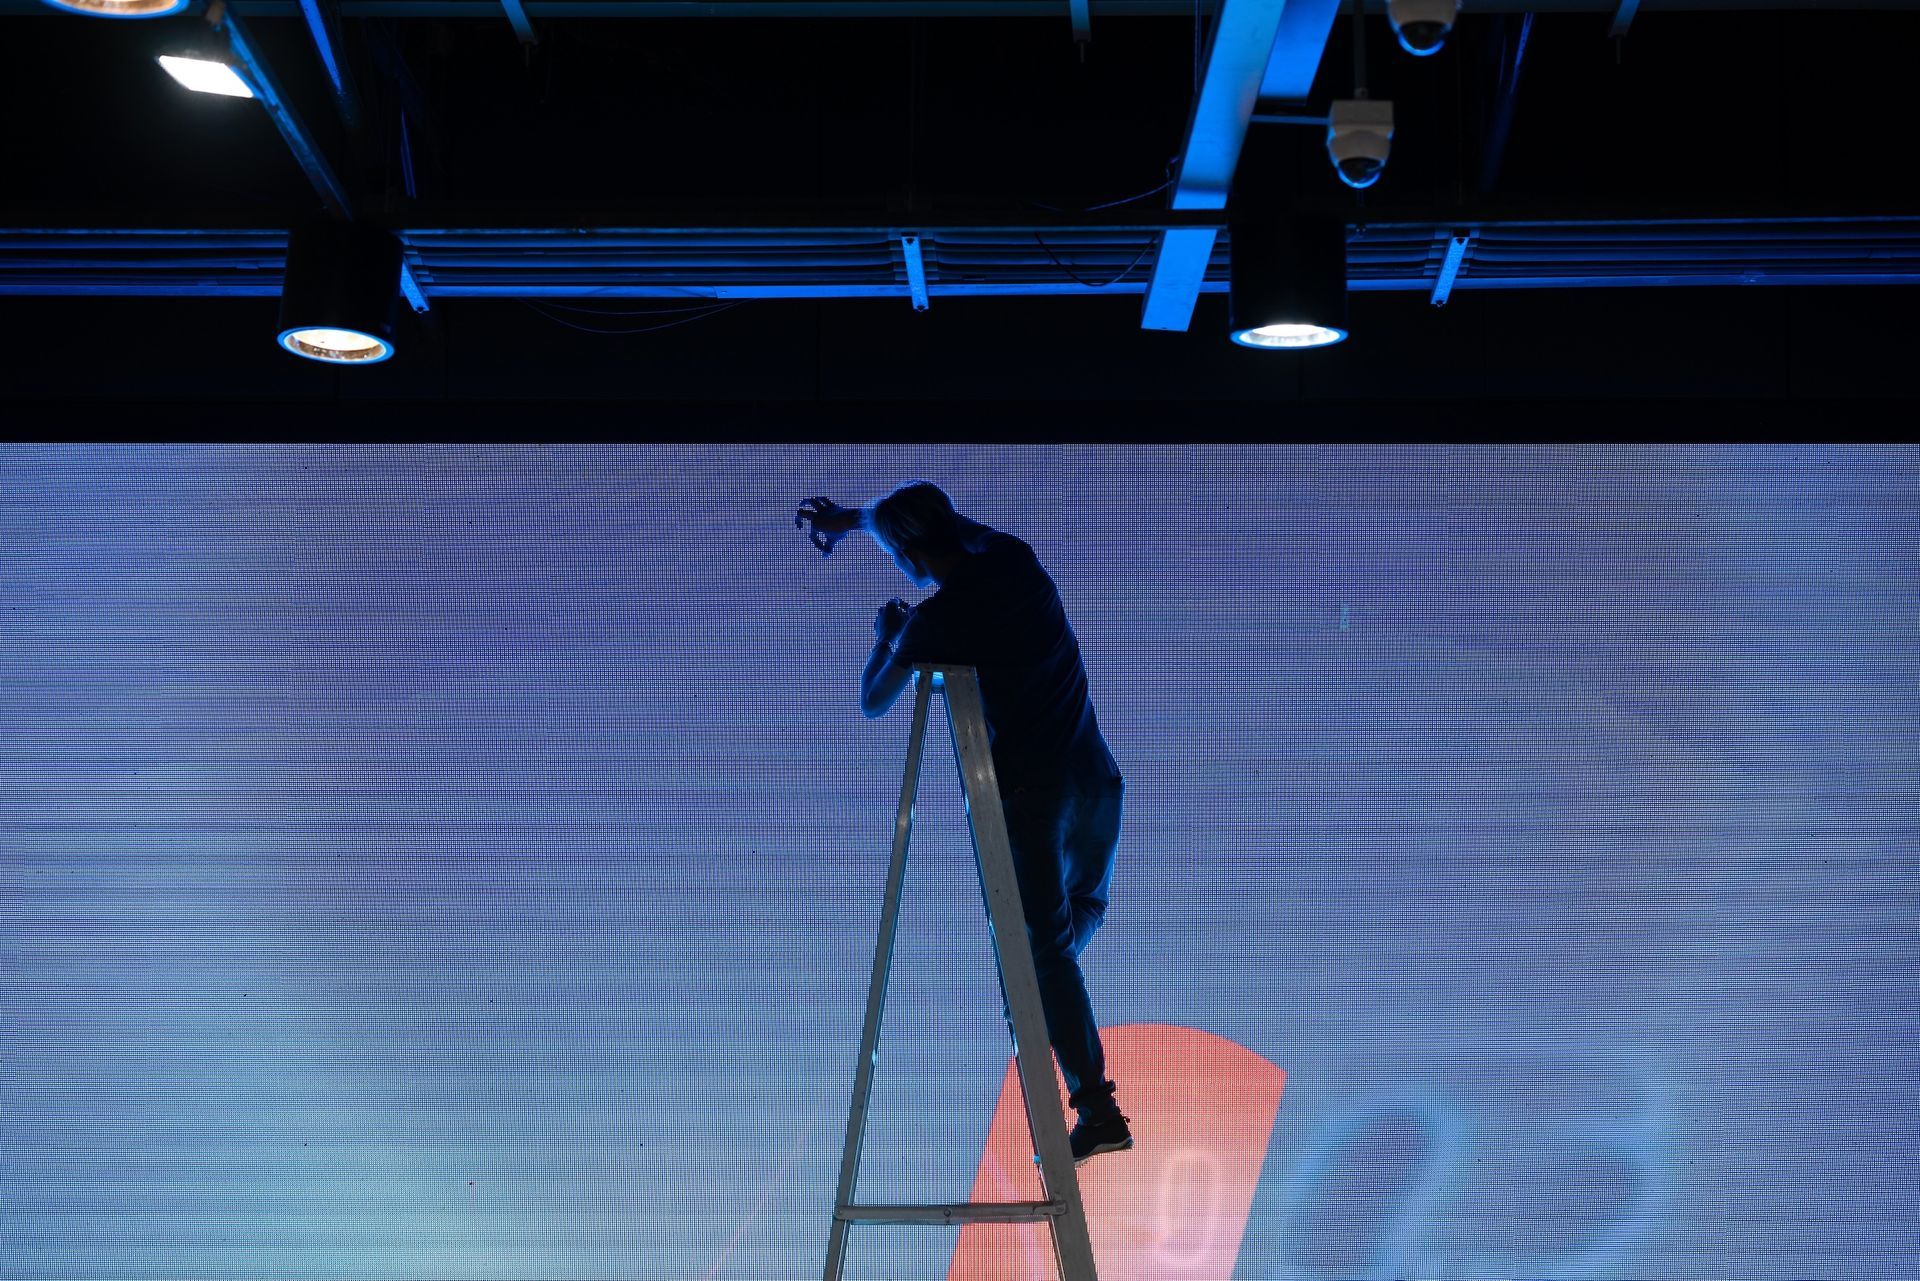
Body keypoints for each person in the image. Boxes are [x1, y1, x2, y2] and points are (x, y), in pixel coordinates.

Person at [795, 483, 1133, 1167]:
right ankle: (1046, 1013)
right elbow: (947, 528)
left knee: (1043, 953)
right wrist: (861, 520)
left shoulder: (932, 625)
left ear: (908, 553)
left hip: (1036, 799)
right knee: (1073, 920)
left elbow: (872, 700)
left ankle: (1097, 1106)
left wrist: (886, 637)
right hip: (1097, 781)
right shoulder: (1014, 559)